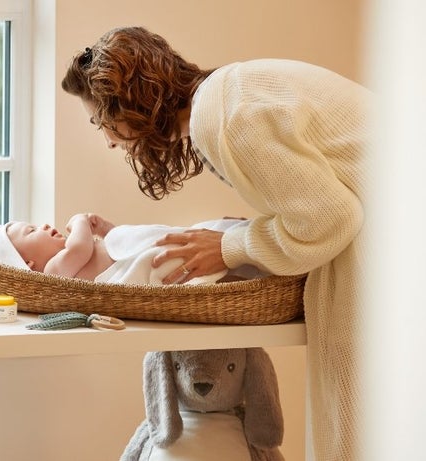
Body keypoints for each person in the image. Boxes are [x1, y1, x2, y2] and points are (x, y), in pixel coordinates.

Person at [61, 26, 370, 461]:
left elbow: (331, 218)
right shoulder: (229, 94)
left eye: (102, 122)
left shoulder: (227, 117)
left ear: (131, 101)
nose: (109, 140)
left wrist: (229, 247)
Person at [0, 213, 264, 285]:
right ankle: (240, 249)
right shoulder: (52, 271)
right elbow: (82, 250)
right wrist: (80, 221)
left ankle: (234, 235)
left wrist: (108, 231)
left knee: (178, 235)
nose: (44, 226)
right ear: (28, 263)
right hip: (137, 264)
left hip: (131, 251)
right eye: (32, 231)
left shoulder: (63, 255)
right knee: (172, 251)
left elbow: (114, 246)